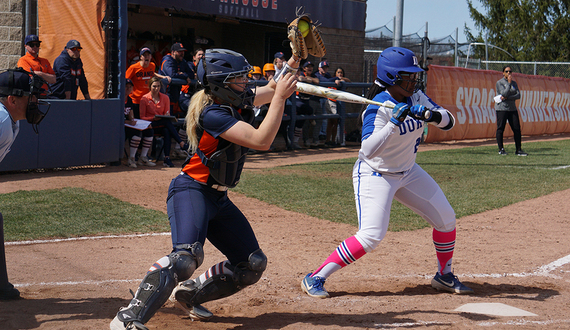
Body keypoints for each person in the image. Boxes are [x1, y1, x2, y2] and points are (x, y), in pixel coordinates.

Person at [110, 48, 298, 330]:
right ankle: (128, 318)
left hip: (218, 198)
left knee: (252, 264)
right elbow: (262, 139)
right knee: (185, 258)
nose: (246, 83)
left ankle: (189, 294)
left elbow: (272, 87)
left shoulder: (231, 99)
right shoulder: (212, 113)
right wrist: (281, 97)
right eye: (239, 79)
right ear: (221, 84)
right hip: (192, 191)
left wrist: (296, 59)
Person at [301, 47, 473, 299]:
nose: (414, 81)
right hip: (376, 173)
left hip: (407, 171)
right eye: (408, 76)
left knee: (446, 219)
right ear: (392, 77)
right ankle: (315, 276)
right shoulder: (377, 106)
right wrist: (393, 123)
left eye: (415, 76)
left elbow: (449, 121)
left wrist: (429, 114)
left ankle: (444, 275)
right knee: (371, 236)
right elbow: (368, 149)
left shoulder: (417, 97)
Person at [0, 68, 49, 300]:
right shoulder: (1, 120)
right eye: (31, 97)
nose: (35, 101)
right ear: (12, 99)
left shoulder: (8, 120)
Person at [139, 76, 185, 167]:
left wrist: (166, 115)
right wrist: (153, 118)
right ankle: (181, 142)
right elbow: (142, 117)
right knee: (166, 123)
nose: (156, 89)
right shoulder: (144, 98)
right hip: (150, 124)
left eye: (158, 86)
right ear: (150, 87)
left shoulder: (165, 98)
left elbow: (166, 113)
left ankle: (166, 158)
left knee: (166, 130)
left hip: (162, 124)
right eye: (154, 86)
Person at [495, 66, 527, 156]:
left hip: (512, 109)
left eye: (510, 71)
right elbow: (503, 93)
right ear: (503, 73)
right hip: (502, 108)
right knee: (501, 128)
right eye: (507, 71)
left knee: (517, 128)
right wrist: (508, 84)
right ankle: (501, 149)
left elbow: (518, 95)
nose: (509, 73)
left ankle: (518, 149)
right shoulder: (499, 83)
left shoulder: (514, 83)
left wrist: (507, 97)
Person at [126, 47, 165, 119]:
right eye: (144, 55)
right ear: (141, 57)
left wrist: (163, 77)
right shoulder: (133, 68)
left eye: (148, 55)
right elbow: (125, 79)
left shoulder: (152, 65)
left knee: (147, 120)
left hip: (147, 99)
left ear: (151, 57)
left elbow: (153, 74)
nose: (146, 57)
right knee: (136, 121)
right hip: (136, 100)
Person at [124, 78, 155, 168]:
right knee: (137, 133)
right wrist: (128, 122)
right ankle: (131, 159)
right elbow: (115, 118)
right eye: (126, 87)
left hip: (127, 124)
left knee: (149, 131)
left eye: (130, 87)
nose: (128, 89)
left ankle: (143, 157)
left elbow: (131, 116)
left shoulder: (129, 100)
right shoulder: (119, 99)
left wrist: (135, 122)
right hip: (119, 126)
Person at [158, 43, 193, 117]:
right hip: (165, 94)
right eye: (179, 51)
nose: (182, 53)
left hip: (175, 95)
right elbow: (172, 74)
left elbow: (191, 74)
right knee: (167, 118)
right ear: (173, 52)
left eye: (183, 52)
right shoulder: (167, 60)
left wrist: (182, 74)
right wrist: (184, 76)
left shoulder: (182, 61)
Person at [314, 60, 341, 147]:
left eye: (326, 67)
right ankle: (316, 138)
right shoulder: (316, 75)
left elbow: (330, 79)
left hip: (325, 99)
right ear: (319, 68)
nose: (325, 69)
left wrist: (336, 79)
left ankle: (324, 137)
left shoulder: (328, 75)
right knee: (316, 119)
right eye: (323, 67)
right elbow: (325, 80)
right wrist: (335, 79)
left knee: (326, 119)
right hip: (316, 99)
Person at [296, 61, 320, 148]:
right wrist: (307, 79)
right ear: (304, 68)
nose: (310, 68)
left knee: (301, 121)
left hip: (307, 100)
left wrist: (310, 79)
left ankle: (295, 141)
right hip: (298, 99)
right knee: (299, 120)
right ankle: (296, 141)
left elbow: (317, 81)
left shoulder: (313, 75)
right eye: (307, 67)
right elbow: (300, 78)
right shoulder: (302, 73)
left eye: (311, 67)